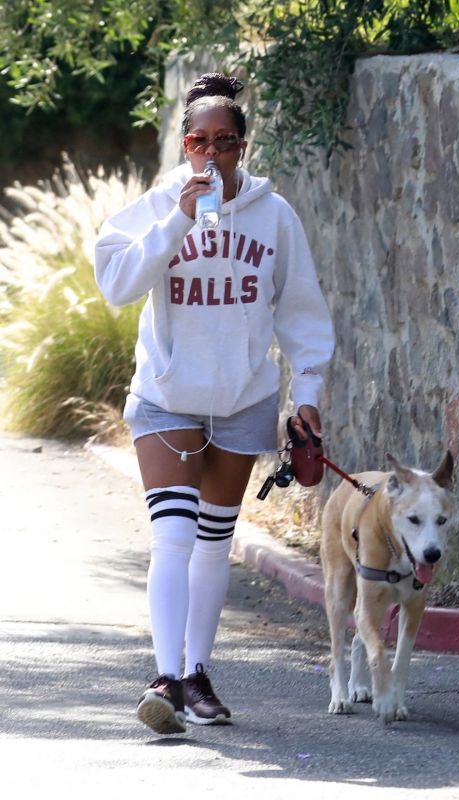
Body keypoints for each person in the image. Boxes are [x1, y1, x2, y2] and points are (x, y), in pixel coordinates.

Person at [94, 72, 334, 736]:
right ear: (184, 142)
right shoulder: (156, 205)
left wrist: (306, 395)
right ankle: (165, 678)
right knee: (171, 536)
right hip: (169, 394)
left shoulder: (273, 215)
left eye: (223, 143)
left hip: (241, 399)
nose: (210, 155)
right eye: (197, 141)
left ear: (242, 146)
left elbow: (303, 313)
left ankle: (196, 674)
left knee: (211, 542)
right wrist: (177, 216)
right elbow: (117, 282)